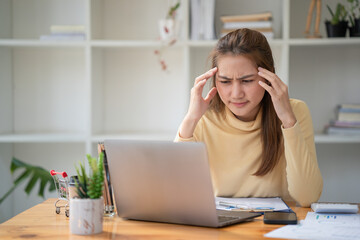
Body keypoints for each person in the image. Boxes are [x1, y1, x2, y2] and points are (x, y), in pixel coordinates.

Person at [175, 28, 323, 207]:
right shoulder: (203, 118)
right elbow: (176, 191)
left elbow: (308, 197)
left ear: (268, 77)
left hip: (274, 226)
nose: (236, 94)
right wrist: (191, 119)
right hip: (222, 228)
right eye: (225, 81)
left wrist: (287, 120)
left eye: (247, 81)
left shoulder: (296, 111)